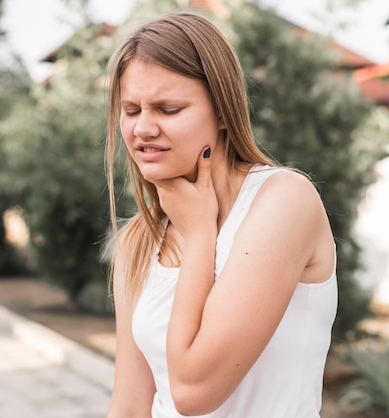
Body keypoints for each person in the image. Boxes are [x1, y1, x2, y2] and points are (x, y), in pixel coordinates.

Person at [104, 12, 338, 418]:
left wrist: (199, 236)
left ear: (224, 111)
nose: (142, 128)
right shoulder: (137, 241)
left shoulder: (283, 203)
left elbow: (193, 391)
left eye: (168, 109)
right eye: (131, 109)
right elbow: (129, 405)